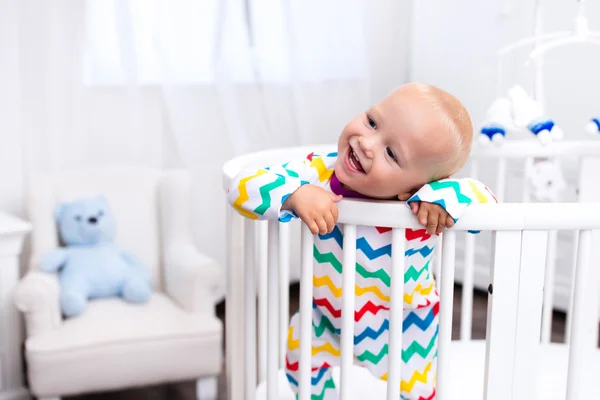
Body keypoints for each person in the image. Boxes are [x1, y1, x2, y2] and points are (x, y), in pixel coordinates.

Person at [227, 83, 497, 399]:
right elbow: (242, 185)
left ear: (418, 184)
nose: (367, 143)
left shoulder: (424, 203)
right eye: (372, 121)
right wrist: (294, 194)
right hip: (325, 315)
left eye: (392, 153)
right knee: (300, 372)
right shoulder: (319, 171)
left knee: (418, 391)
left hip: (404, 325)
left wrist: (443, 198)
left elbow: (487, 203)